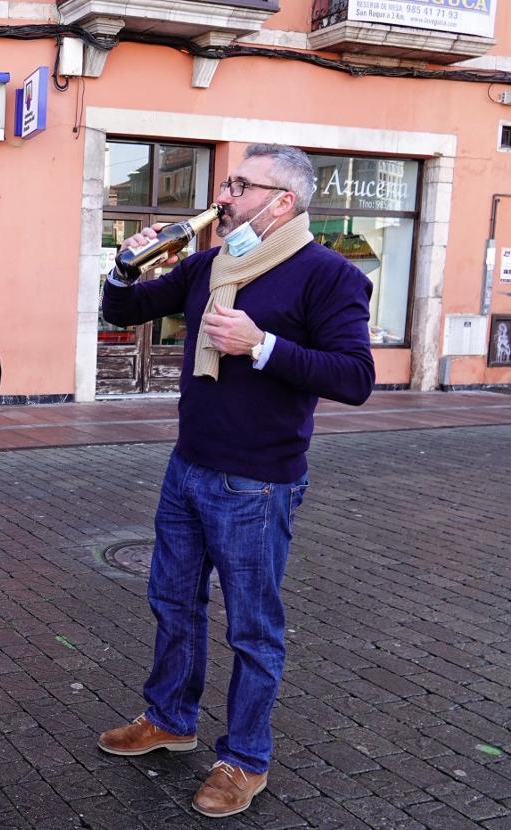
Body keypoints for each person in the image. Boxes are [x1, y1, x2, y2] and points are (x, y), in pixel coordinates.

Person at [97, 145, 375, 818]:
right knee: (173, 602)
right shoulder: (210, 264)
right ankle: (169, 719)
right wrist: (121, 263)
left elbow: (355, 377)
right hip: (188, 465)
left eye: (241, 185)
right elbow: (123, 312)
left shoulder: (328, 276)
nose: (224, 194)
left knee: (252, 629)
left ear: (284, 201)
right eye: (227, 181)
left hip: (258, 483)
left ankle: (244, 759)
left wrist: (260, 345)